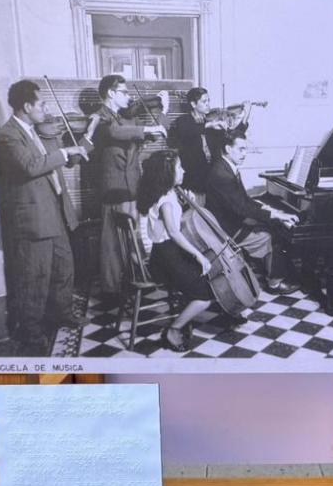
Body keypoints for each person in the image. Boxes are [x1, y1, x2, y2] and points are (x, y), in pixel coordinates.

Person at [0, 79, 89, 354]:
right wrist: (65, 151)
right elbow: (30, 166)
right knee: (35, 277)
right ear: (26, 106)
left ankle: (63, 313)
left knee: (63, 267)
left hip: (53, 210)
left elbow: (47, 163)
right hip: (32, 218)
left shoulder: (33, 132)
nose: (46, 108)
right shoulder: (6, 136)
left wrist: (75, 148)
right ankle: (31, 334)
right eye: (41, 103)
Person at [86, 74, 167, 297]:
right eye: (124, 92)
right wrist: (148, 130)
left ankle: (131, 283)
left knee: (130, 240)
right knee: (111, 245)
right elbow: (114, 133)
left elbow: (136, 137)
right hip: (114, 188)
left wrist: (159, 118)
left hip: (130, 187)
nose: (129, 97)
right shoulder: (100, 117)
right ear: (111, 93)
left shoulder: (120, 118)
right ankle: (111, 291)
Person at [136, 150, 213, 352]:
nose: (184, 170)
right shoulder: (167, 200)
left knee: (202, 277)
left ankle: (185, 313)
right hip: (166, 258)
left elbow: (175, 225)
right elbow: (174, 232)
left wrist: (185, 203)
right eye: (179, 167)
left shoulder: (167, 194)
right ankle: (173, 329)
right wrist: (198, 255)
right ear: (168, 172)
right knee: (204, 296)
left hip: (162, 253)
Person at [206, 130, 299, 294]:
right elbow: (242, 208)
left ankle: (273, 270)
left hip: (230, 220)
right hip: (228, 229)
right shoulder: (222, 174)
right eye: (241, 149)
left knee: (272, 224)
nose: (245, 154)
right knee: (272, 235)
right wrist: (277, 214)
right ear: (228, 148)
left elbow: (243, 201)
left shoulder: (226, 167)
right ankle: (274, 283)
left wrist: (268, 209)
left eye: (245, 149)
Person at [168, 87, 248, 203]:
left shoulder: (212, 122)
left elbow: (231, 139)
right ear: (193, 104)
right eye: (204, 102)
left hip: (212, 181)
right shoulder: (183, 121)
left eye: (209, 101)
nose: (208, 104)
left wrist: (244, 119)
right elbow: (187, 132)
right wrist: (209, 125)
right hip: (194, 182)